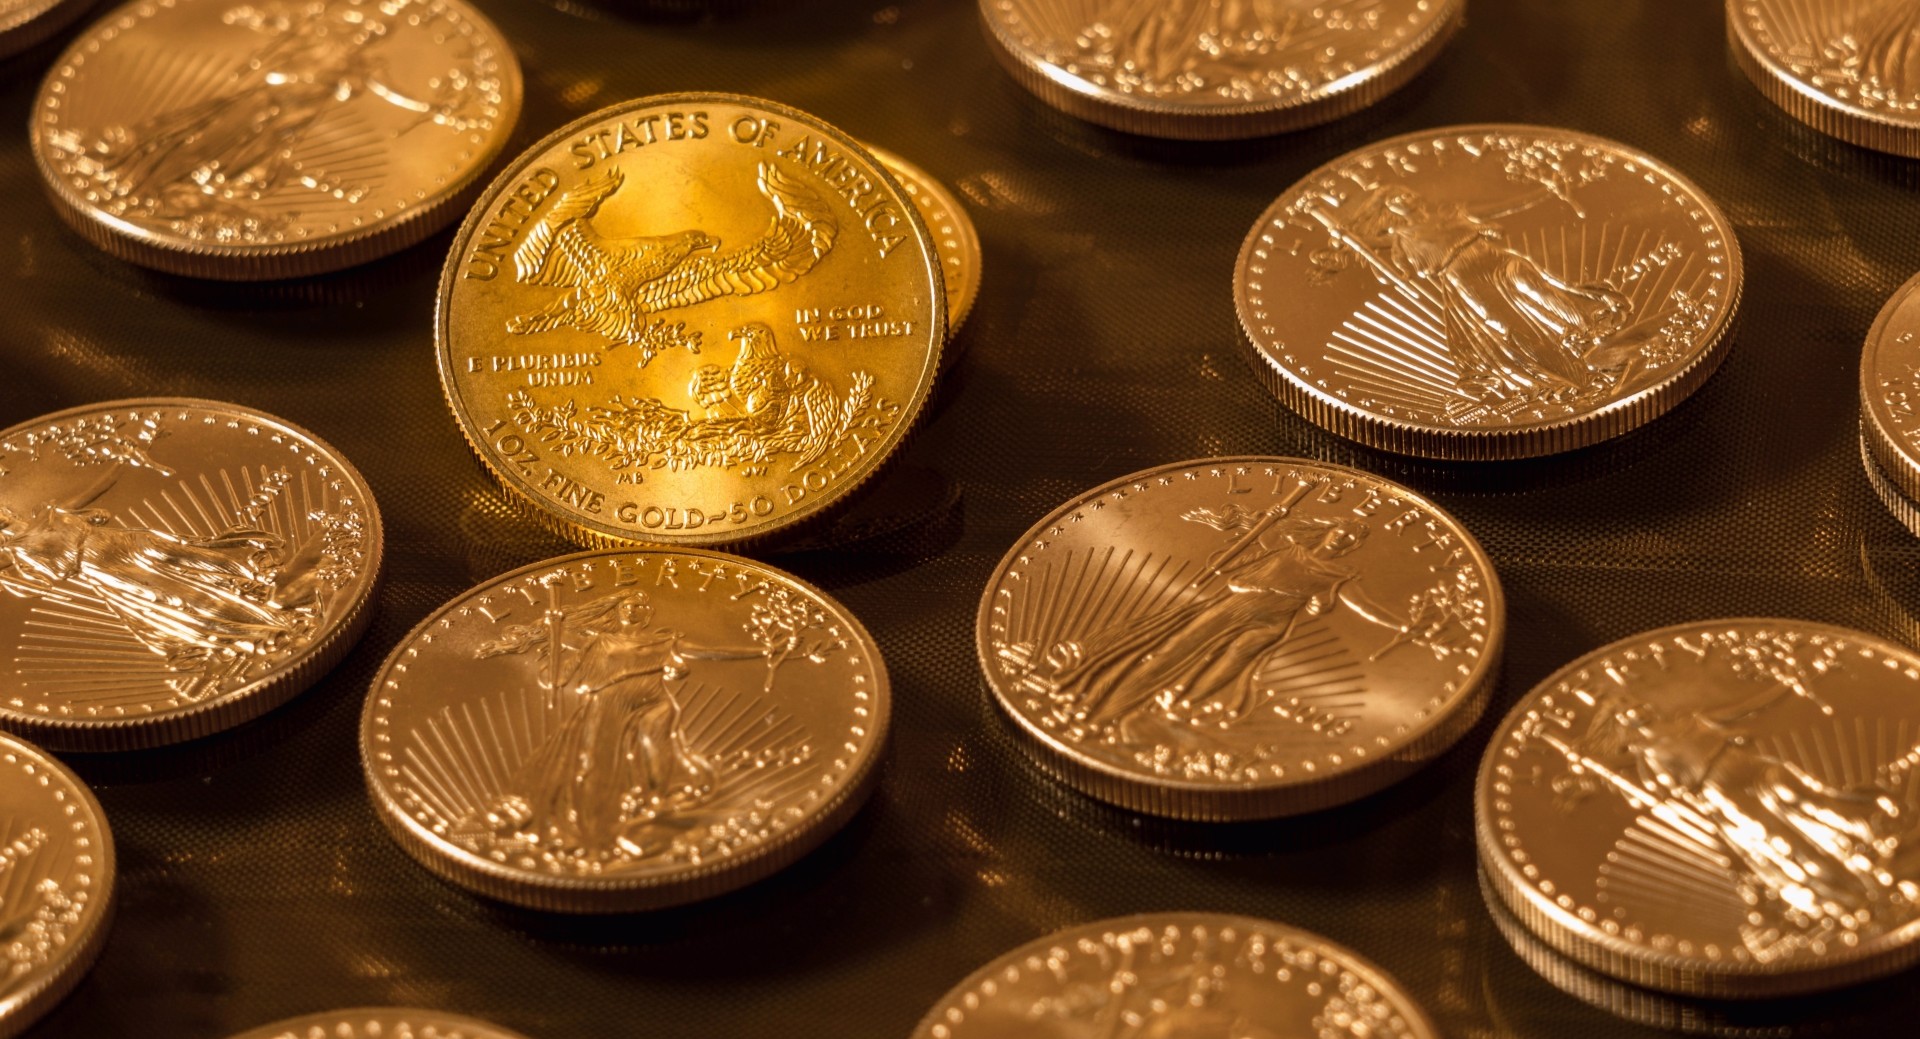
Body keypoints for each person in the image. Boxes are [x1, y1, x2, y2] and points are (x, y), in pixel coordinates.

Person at [1553, 679, 1920, 956]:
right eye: (1626, 711)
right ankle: (1847, 898)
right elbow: (1656, 791)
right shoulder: (1645, 756)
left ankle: (1879, 837)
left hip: (1757, 769)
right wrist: (1585, 763)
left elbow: (1746, 706)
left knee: (1816, 801)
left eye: (1634, 703)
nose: (1635, 710)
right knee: (1785, 845)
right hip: (1727, 797)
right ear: (1623, 725)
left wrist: (1783, 686)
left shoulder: (1691, 720)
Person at [1037, 510, 1406, 753]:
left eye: (1350, 539)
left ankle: (1162, 714)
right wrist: (1257, 525)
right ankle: (1097, 711)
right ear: (1330, 531)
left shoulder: (1340, 575)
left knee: (1215, 670)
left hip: (1267, 625)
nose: (1342, 540)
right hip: (1232, 607)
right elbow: (1231, 562)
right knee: (1167, 655)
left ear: (1353, 546)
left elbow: (1360, 607)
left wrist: (1403, 625)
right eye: (1341, 532)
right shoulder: (1289, 550)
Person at [67, 1, 470, 222]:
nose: (370, 35)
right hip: (258, 100)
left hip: (286, 120)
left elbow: (391, 93)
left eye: (378, 35)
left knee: (227, 152)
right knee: (197, 134)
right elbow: (279, 38)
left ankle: (158, 184)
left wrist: (434, 108)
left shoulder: (363, 66)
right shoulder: (319, 38)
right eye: (367, 28)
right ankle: (139, 174)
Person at [459, 589, 766, 866]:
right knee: (596, 767)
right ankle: (595, 836)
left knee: (657, 757)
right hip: (607, 703)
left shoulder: (664, 641)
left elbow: (714, 652)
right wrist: (553, 629)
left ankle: (651, 814)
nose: (632, 611)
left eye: (639, 607)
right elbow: (559, 672)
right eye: (627, 606)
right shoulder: (598, 641)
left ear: (647, 614)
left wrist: (765, 651)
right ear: (618, 612)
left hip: (655, 703)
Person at [1323, 184, 1664, 408]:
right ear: (1389, 210)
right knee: (1506, 328)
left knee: (1544, 294)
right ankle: (1569, 379)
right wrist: (1343, 240)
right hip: (1462, 277)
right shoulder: (1400, 239)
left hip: (1495, 259)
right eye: (1395, 200)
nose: (1405, 199)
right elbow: (1402, 274)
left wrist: (1543, 191)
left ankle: (1594, 347)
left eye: (1406, 194)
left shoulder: (1451, 211)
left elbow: (1501, 207)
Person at [0, 501, 319, 695]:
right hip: (108, 568)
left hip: (127, 541)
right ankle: (260, 630)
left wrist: (82, 524)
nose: (4, 518)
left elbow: (98, 515)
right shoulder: (22, 548)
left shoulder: (52, 513)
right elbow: (55, 574)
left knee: (199, 558)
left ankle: (261, 586)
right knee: (187, 600)